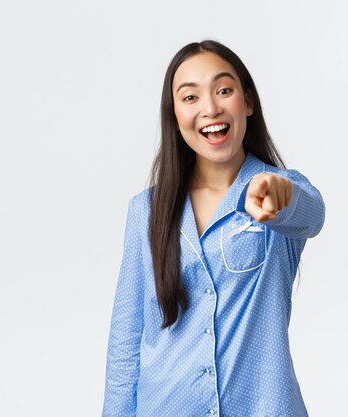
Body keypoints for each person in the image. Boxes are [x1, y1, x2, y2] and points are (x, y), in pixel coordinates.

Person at [102, 40, 325, 417]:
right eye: (190, 98)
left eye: (224, 90)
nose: (210, 108)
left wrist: (279, 196)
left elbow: (312, 214)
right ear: (174, 115)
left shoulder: (280, 189)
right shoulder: (147, 211)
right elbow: (126, 342)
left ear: (247, 103)